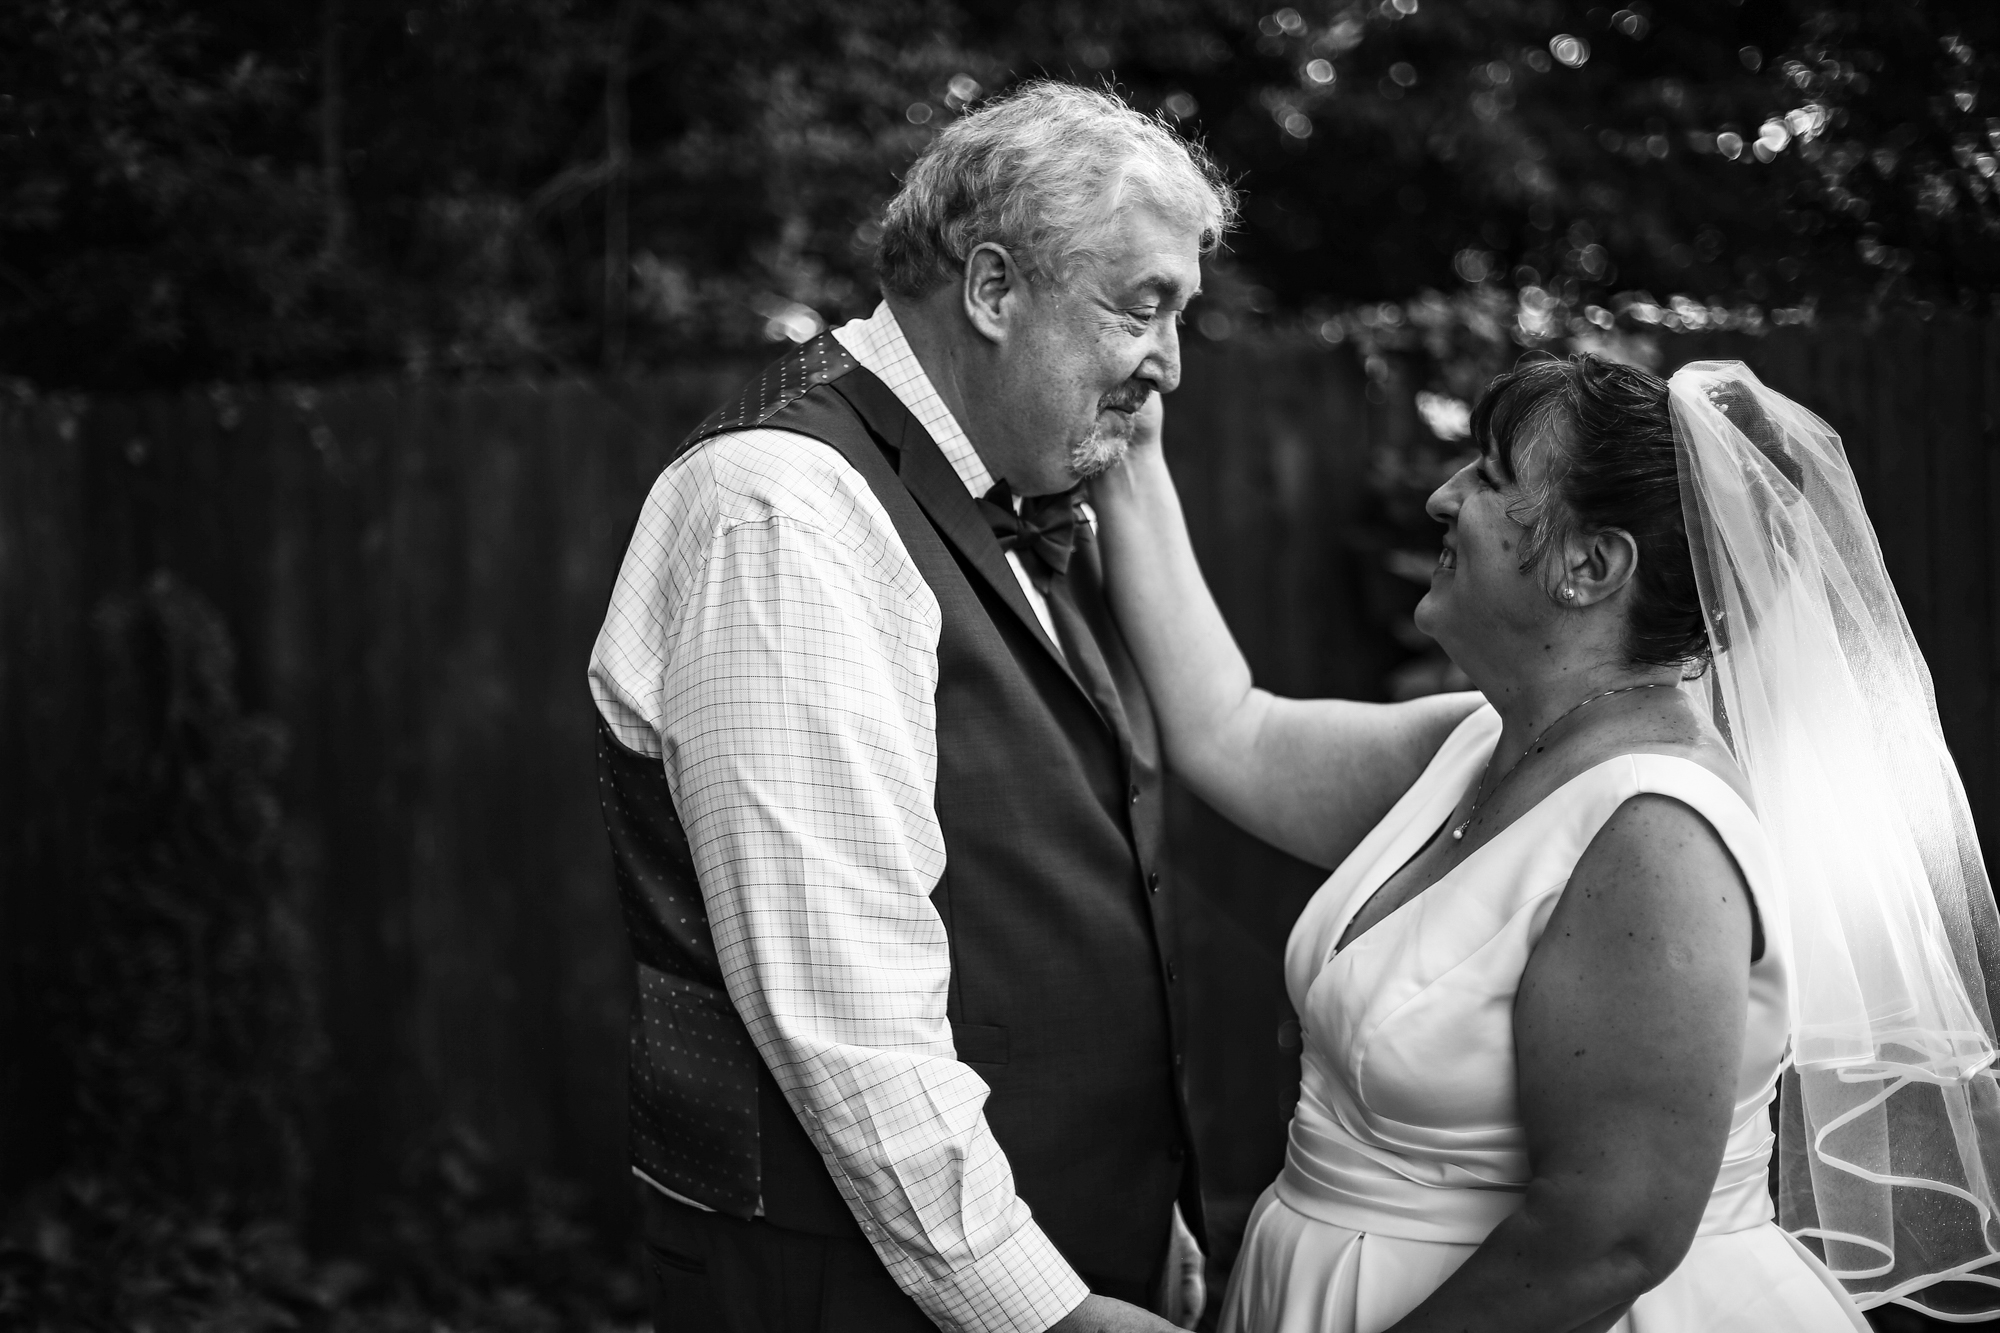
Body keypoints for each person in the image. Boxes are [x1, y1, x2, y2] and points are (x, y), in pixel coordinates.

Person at [1094, 351, 2000, 1330]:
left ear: (1589, 565)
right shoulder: (1475, 743)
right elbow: (1231, 730)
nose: (1442, 498)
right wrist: (1127, 451)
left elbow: (1605, 1238)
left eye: (1487, 476)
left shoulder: (1655, 834)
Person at [588, 83, 1234, 1333]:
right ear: (991, 291)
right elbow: (840, 1012)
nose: (1165, 367)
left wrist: (1135, 1214)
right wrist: (1047, 1311)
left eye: (1180, 316)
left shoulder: (985, 499)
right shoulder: (784, 512)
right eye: (1140, 308)